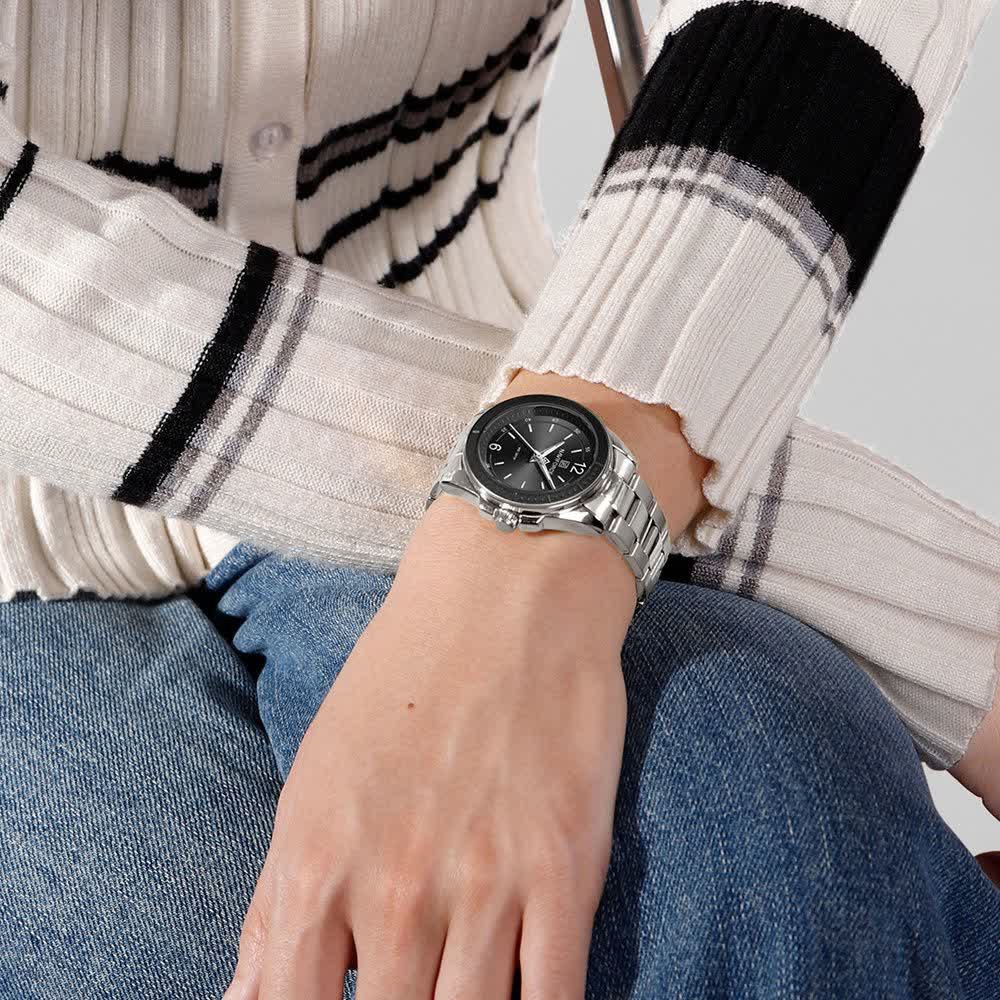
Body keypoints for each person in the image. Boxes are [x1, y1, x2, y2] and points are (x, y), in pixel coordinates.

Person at [0, 1, 997, 997]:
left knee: (768, 810)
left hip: (533, 371)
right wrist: (934, 618)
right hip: (28, 562)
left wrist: (544, 523)